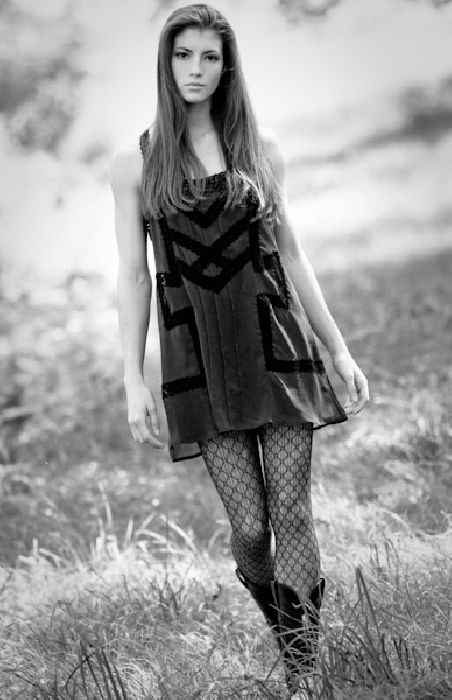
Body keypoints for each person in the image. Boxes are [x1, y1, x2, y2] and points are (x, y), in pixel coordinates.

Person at [110, 3, 369, 696]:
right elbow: (133, 276)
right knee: (251, 529)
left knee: (292, 513)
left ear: (228, 67)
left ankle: (303, 669)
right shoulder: (134, 163)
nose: (195, 69)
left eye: (210, 56)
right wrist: (133, 379)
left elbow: (292, 252)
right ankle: (287, 628)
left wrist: (337, 349)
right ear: (165, 63)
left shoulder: (261, 148)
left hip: (275, 346)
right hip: (196, 358)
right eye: (183, 55)